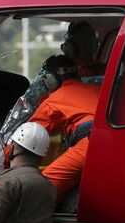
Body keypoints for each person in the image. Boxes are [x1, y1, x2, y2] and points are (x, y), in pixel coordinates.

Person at [27, 54, 99, 201]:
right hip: (118, 142)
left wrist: (3, 160)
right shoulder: (98, 89)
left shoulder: (53, 101)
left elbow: (28, 137)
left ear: (50, 80)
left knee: (40, 193)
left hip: (91, 144)